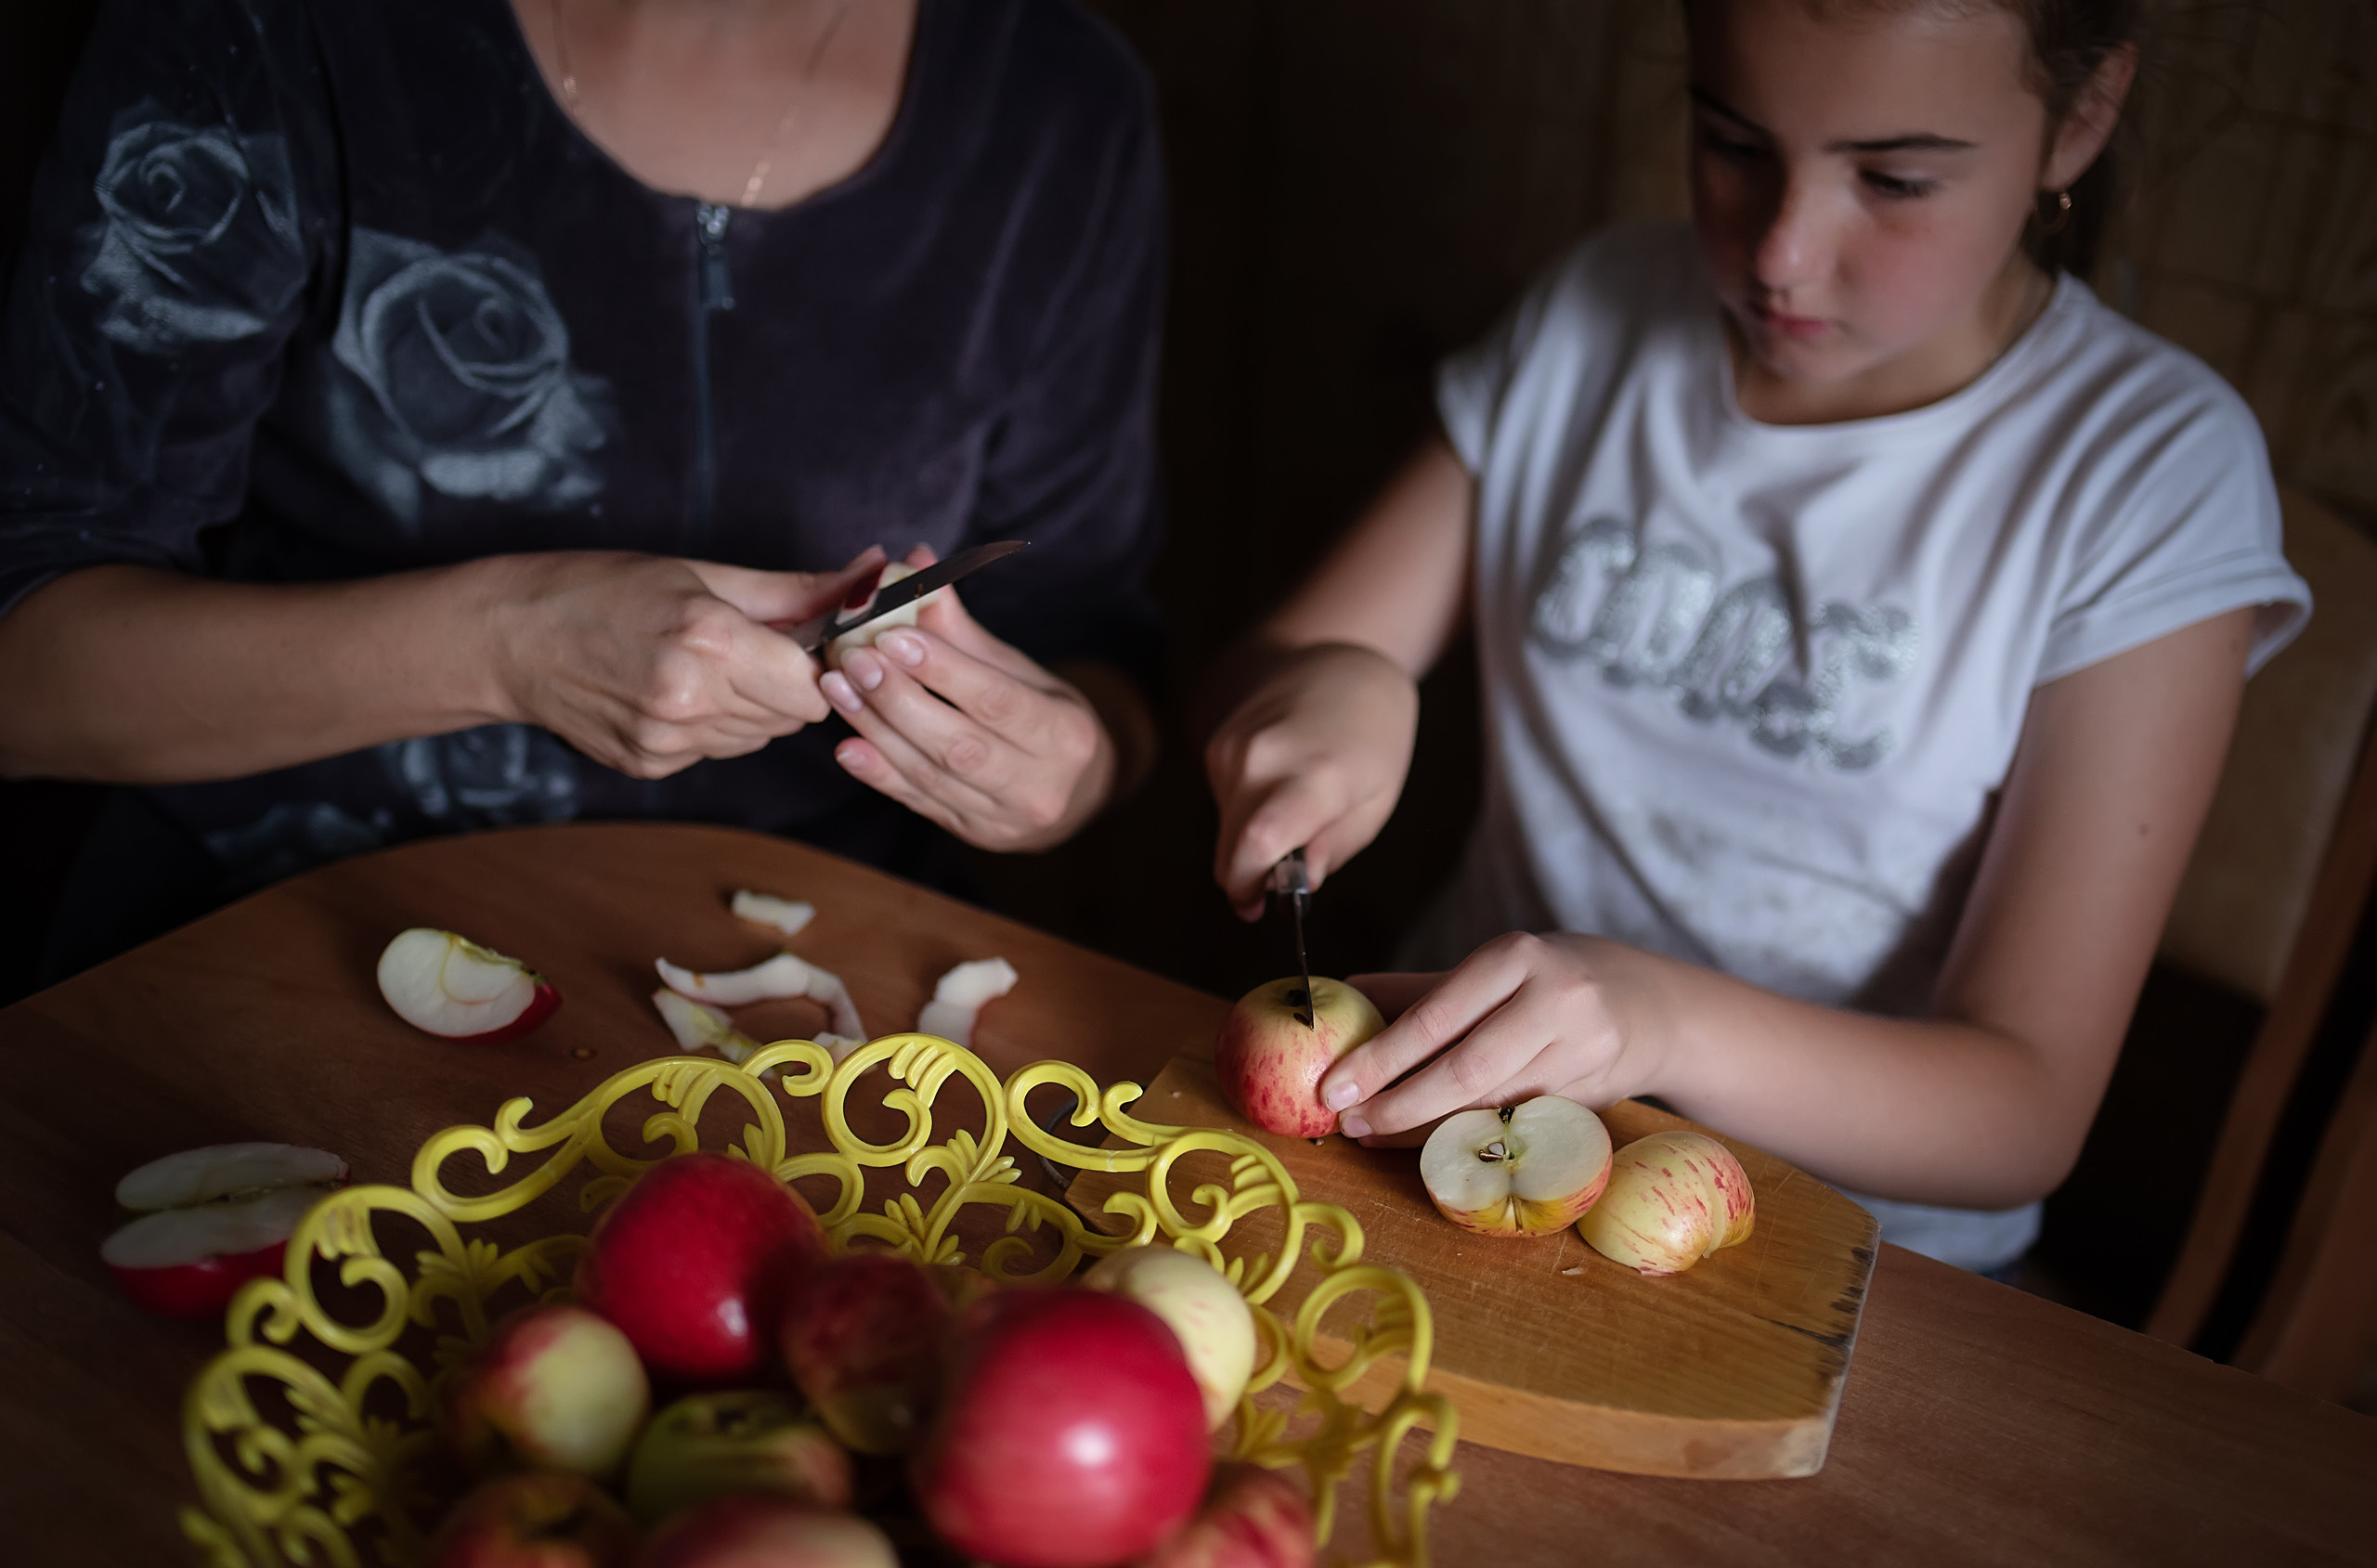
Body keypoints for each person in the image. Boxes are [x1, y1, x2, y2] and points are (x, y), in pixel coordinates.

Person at [1201, 0, 2311, 1275]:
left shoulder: (2145, 468)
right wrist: (1335, 684)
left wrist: (1660, 1023)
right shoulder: (1598, 311)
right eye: (1733, 143)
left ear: (2083, 119)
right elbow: (1256, 678)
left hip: (1846, 1258)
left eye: (1893, 178)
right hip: (1441, 1155)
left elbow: (2025, 1110)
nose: (1781, 251)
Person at [0, 0, 1163, 978]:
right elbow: (27, 672)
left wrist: (1073, 774)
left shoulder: (1062, 107)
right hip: (282, 924)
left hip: (815, 978)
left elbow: (1091, 650)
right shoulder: (276, 29)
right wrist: (503, 644)